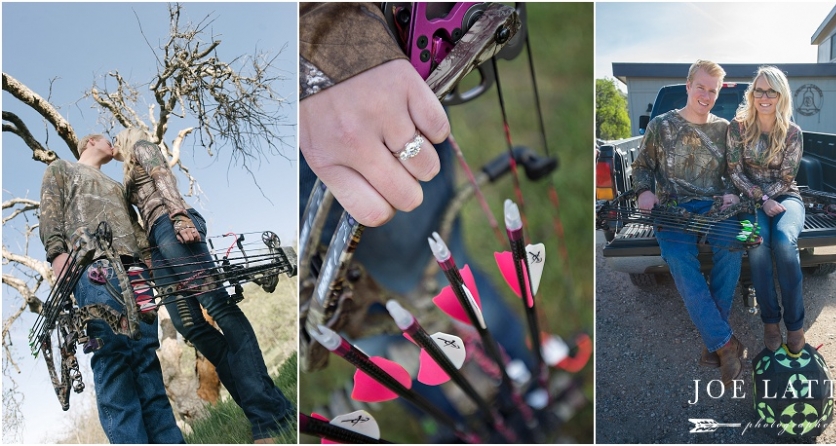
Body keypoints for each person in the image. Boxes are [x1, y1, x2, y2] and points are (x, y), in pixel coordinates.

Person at [300, 3, 538, 437]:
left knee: (428, 275)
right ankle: (461, 423)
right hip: (327, 96)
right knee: (356, 317)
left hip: (349, 84)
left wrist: (331, 40)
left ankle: (522, 393)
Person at [112, 127, 295, 444]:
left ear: (127, 138)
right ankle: (273, 407)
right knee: (190, 326)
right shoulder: (125, 176)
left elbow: (162, 175)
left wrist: (180, 216)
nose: (112, 142)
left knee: (218, 307)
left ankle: (266, 418)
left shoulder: (143, 147)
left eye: (116, 137)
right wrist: (151, 262)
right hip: (157, 242)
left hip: (172, 224)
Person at [39, 134, 185, 444]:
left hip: (135, 270)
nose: (114, 144)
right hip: (92, 267)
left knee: (146, 357)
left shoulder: (117, 187)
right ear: (90, 141)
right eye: (108, 139)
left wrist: (149, 262)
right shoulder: (61, 168)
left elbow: (134, 229)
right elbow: (50, 212)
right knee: (111, 355)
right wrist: (57, 255)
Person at [630, 60, 746, 388]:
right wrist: (643, 191)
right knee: (681, 261)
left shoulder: (724, 129)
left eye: (713, 90)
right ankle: (724, 344)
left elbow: (734, 173)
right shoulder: (660, 125)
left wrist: (732, 194)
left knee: (732, 246)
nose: (706, 95)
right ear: (688, 85)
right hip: (672, 210)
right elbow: (642, 167)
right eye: (701, 87)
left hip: (714, 210)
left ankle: (716, 341)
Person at [726, 66, 805, 354]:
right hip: (750, 200)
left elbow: (787, 177)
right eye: (759, 90)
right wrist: (761, 199)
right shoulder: (738, 127)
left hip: (787, 197)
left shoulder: (793, 132)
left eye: (771, 90)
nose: (765, 96)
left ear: (780, 95)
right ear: (752, 94)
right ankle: (770, 323)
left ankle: (795, 325)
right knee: (757, 244)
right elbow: (734, 172)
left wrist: (770, 198)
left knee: (784, 242)